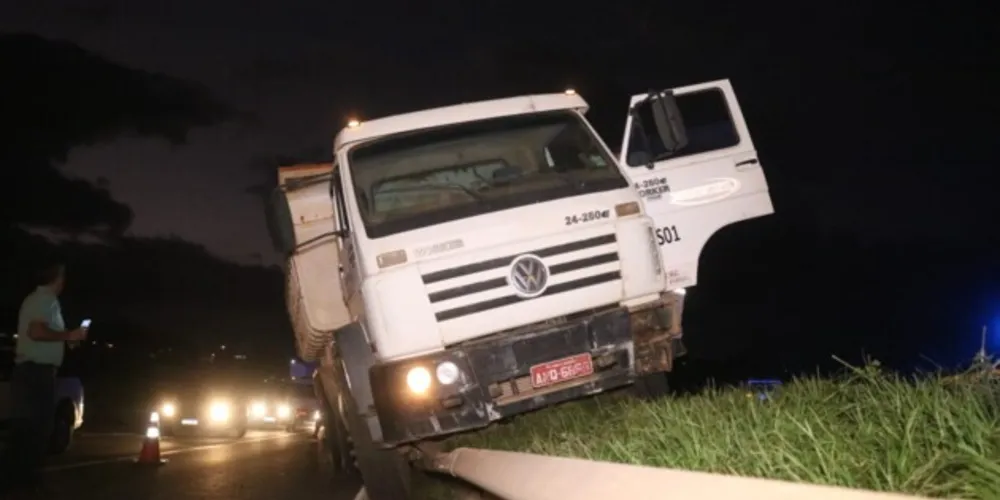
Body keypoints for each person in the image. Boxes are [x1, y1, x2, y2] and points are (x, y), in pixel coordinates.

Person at [3, 260, 87, 491]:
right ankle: (24, 483)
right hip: (36, 372)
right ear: (56, 278)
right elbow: (36, 331)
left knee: (25, 430)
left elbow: (41, 333)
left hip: (30, 372)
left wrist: (67, 339)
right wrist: (69, 333)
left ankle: (18, 482)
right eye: (63, 276)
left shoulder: (40, 300)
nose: (64, 281)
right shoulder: (45, 300)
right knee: (36, 430)